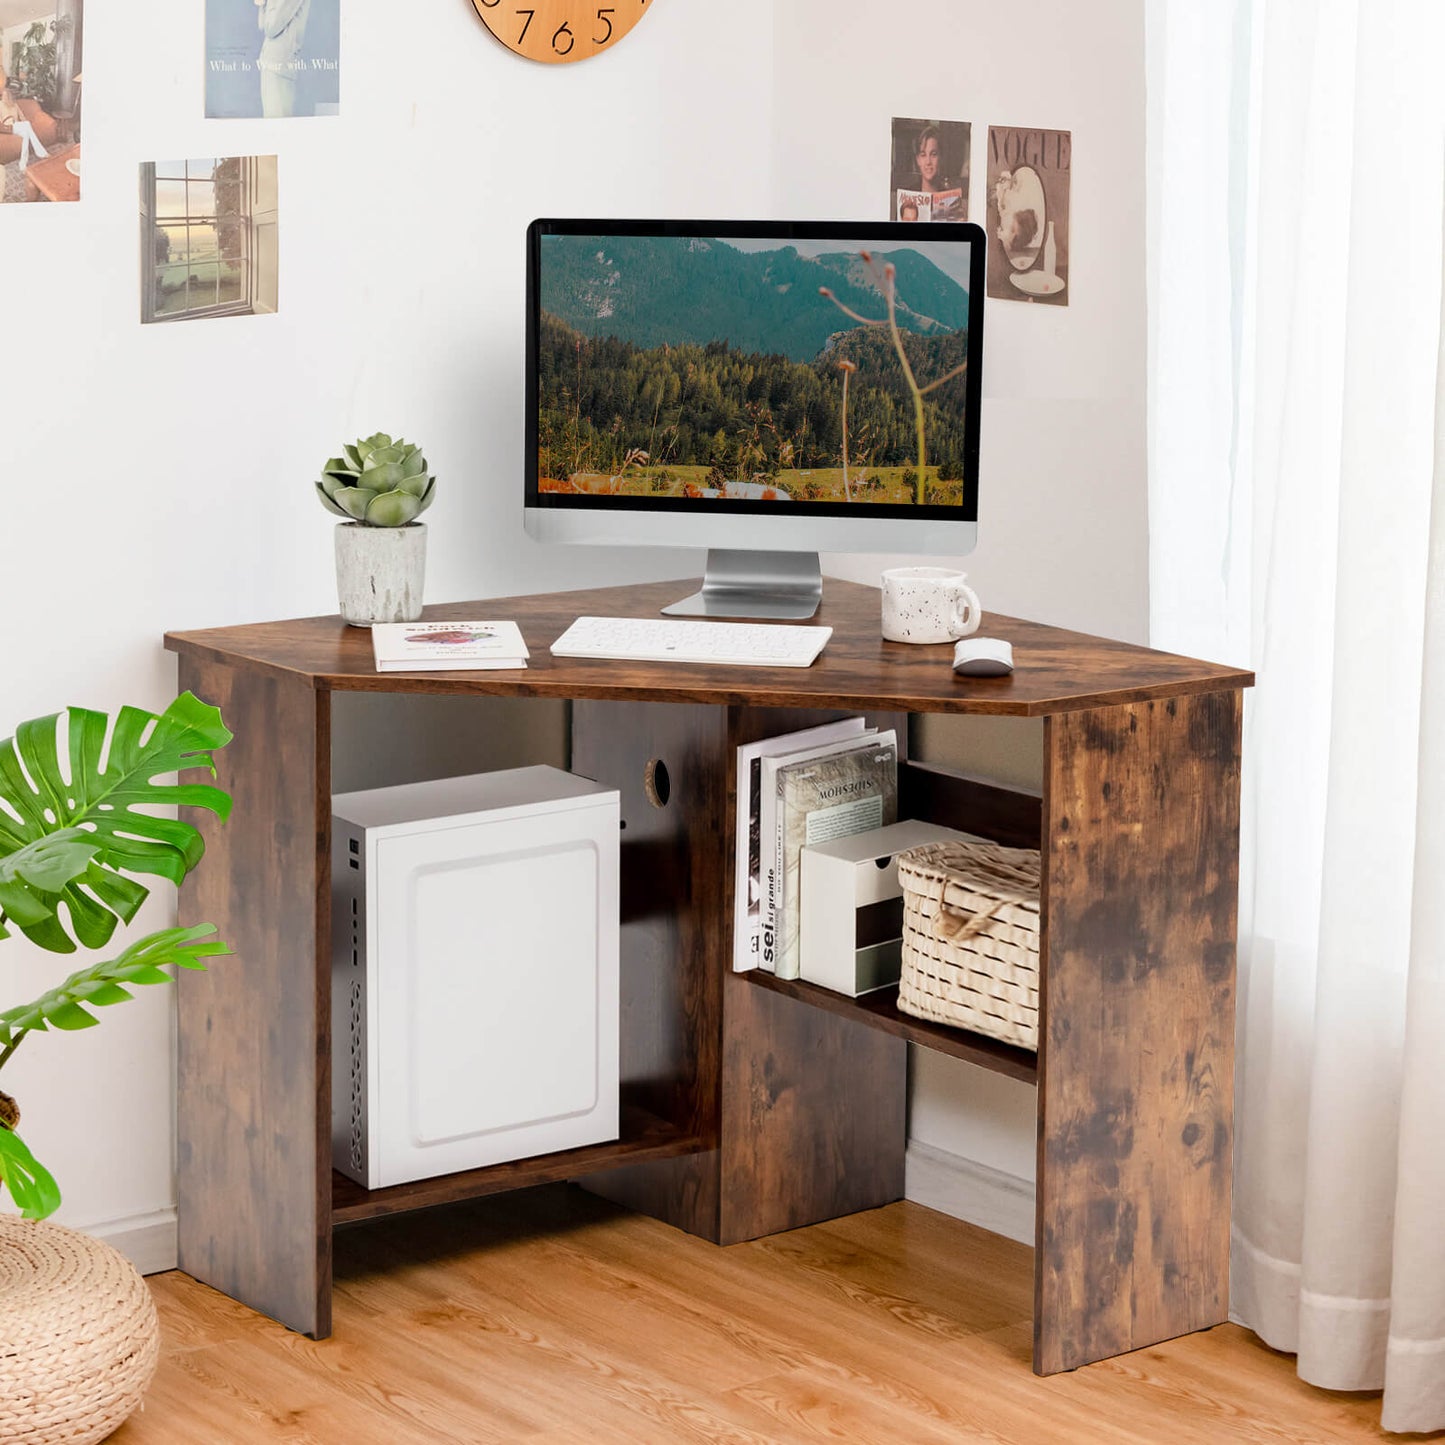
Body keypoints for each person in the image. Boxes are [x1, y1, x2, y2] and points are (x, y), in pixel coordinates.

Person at [255, 0, 312, 118]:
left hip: (281, 64)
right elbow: (262, 25)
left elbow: (271, 27)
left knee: (278, 124)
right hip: (270, 62)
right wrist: (262, 5)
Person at [0, 78, 50, 172]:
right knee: (26, 125)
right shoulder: (0, 105)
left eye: (7, 95)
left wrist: (27, 126)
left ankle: (22, 165)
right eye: (4, 94)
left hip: (17, 127)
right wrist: (25, 125)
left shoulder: (15, 105)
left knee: (26, 135)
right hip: (8, 129)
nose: (5, 96)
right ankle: (41, 152)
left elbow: (22, 117)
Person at [914, 124, 950, 195]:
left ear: (941, 158)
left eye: (933, 154)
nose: (928, 162)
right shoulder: (909, 194)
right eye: (923, 155)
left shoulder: (948, 197)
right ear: (918, 160)